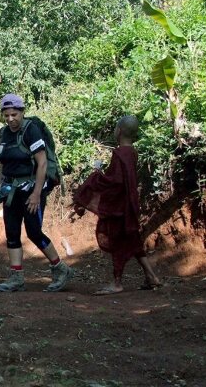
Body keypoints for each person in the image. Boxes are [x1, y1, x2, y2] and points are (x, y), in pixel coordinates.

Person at [73, 115, 161, 295]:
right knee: (133, 241)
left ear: (119, 131)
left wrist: (96, 175)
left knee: (117, 242)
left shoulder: (120, 154)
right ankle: (152, 276)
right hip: (129, 204)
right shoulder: (132, 153)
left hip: (120, 208)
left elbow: (116, 181)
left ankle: (117, 282)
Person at [0, 93, 74, 293]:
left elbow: (42, 163)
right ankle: (16, 278)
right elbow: (2, 163)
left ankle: (60, 268)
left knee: (33, 231)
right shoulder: (4, 133)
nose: (11, 119)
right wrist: (0, 187)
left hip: (32, 189)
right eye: (6, 115)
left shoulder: (32, 130)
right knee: (11, 232)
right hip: (11, 190)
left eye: (14, 114)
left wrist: (37, 193)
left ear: (22, 112)